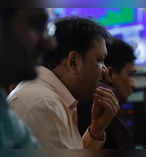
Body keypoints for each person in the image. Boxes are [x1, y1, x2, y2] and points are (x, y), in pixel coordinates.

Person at [8, 17, 120, 149]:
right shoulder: (43, 104)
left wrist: (95, 131)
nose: (105, 70)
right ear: (73, 62)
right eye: (99, 60)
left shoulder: (51, 99)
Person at [0, 9, 54, 148]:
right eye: (36, 26)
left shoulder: (3, 109)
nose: (49, 44)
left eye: (47, 29)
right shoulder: (39, 100)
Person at [78, 37, 137, 149]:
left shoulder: (80, 99)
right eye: (130, 75)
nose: (133, 84)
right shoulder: (106, 105)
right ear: (109, 74)